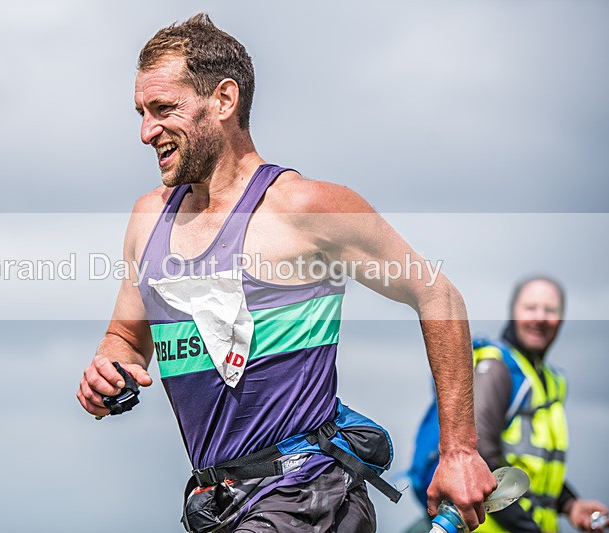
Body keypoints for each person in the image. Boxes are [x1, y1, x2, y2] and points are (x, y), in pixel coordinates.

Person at [77, 13, 495, 532]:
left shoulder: (306, 208)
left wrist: (458, 451)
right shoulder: (148, 218)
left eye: (163, 108)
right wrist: (106, 370)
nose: (145, 132)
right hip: (217, 504)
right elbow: (126, 337)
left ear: (224, 100)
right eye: (141, 112)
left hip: (307, 493)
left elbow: (438, 296)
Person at [472, 277, 607, 532]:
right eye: (530, 307)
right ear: (513, 313)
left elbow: (534, 470)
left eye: (550, 310)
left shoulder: (553, 382)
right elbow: (481, 462)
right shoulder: (496, 368)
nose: (540, 317)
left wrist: (570, 505)